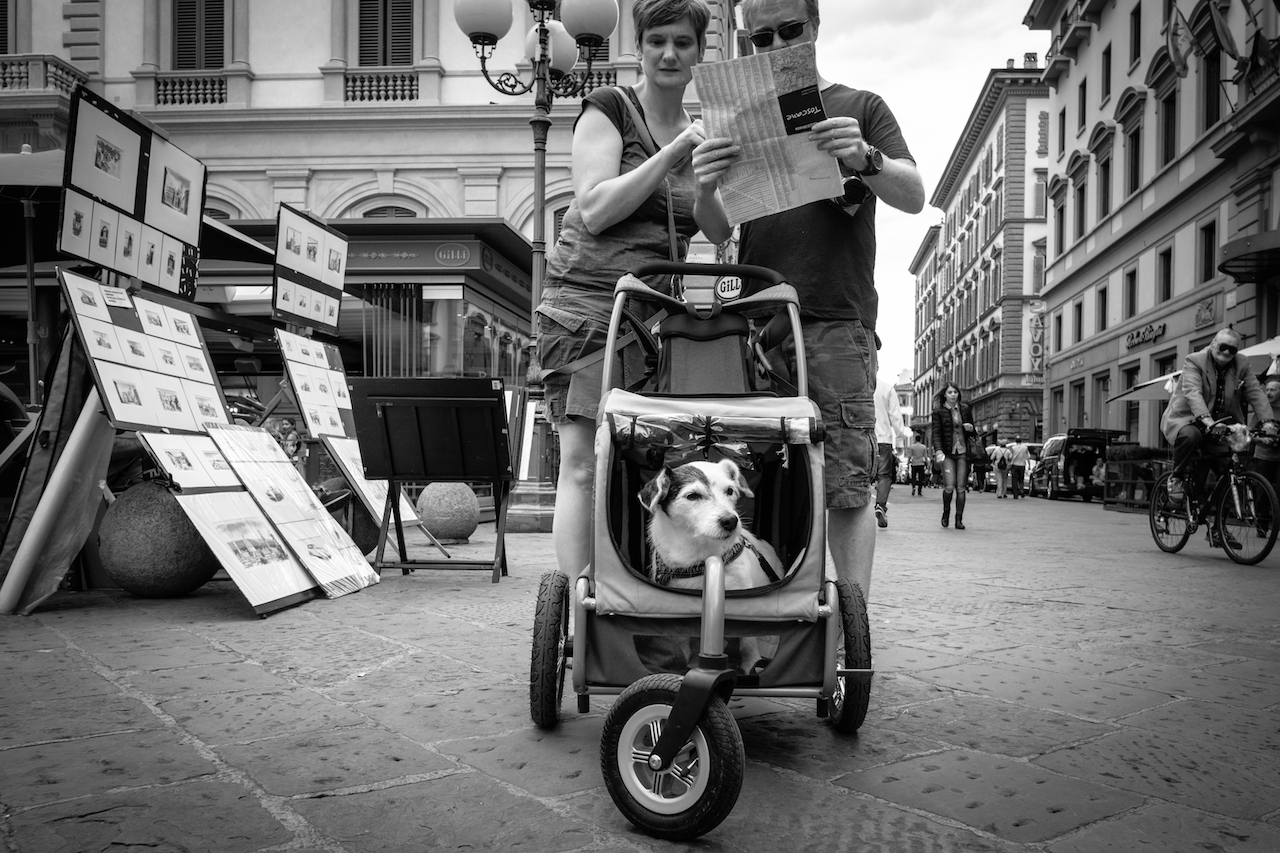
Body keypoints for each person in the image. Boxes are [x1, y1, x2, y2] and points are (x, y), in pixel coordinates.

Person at [692, 0, 925, 599]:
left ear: (816, 28)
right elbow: (717, 229)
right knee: (762, 479)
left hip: (835, 320)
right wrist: (706, 188)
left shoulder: (860, 106)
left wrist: (866, 158)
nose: (776, 47)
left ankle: (851, 622)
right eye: (761, 37)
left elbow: (914, 195)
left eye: (790, 31)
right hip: (758, 325)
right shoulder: (738, 118)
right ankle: (768, 611)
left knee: (845, 483)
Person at [536, 0, 727, 582]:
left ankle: (629, 590)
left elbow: (717, 230)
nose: (669, 54)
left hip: (650, 321)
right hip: (587, 308)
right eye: (656, 41)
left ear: (699, 52)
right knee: (581, 464)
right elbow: (595, 208)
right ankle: (580, 602)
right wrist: (673, 154)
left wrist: (706, 185)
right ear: (639, 48)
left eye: (683, 43)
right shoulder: (611, 108)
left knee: (632, 464)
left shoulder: (703, 129)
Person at [1161, 329, 1273, 540]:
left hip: (1219, 426)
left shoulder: (1241, 363)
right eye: (1223, 347)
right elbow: (1193, 393)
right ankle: (1176, 477)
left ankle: (1218, 529)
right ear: (1213, 344)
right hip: (1188, 419)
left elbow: (1255, 391)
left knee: (1229, 472)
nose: (1227, 352)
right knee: (1192, 437)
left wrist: (1268, 421)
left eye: (1233, 349)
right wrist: (1206, 420)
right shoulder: (1194, 360)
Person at [931, 382, 976, 530]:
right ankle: (946, 513)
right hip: (947, 453)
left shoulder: (965, 409)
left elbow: (974, 433)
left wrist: (971, 428)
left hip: (962, 452)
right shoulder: (938, 412)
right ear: (945, 394)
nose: (953, 395)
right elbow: (936, 433)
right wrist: (938, 450)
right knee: (949, 486)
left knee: (961, 488)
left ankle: (959, 520)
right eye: (950, 392)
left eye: (955, 392)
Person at [873, 372, 911, 527]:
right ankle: (880, 505)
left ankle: (860, 510)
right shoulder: (886, 388)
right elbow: (895, 415)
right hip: (883, 439)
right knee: (884, 476)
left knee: (860, 475)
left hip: (861, 439)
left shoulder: (854, 386)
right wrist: (900, 440)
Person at [1007, 434, 1030, 499]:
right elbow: (1027, 457)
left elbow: (1010, 456)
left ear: (1016, 441)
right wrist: (1029, 465)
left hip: (1014, 465)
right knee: (1021, 479)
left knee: (1014, 480)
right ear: (1021, 441)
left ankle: (1015, 494)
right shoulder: (1025, 447)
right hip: (1022, 465)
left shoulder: (1013, 448)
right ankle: (1021, 489)